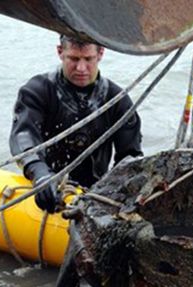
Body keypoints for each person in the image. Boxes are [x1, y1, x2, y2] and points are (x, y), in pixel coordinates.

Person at [9, 35, 143, 213]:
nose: (81, 68)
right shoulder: (37, 91)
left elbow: (130, 157)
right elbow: (23, 136)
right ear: (60, 52)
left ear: (101, 53)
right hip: (45, 183)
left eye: (88, 59)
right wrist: (39, 173)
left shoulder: (117, 100)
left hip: (94, 192)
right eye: (73, 58)